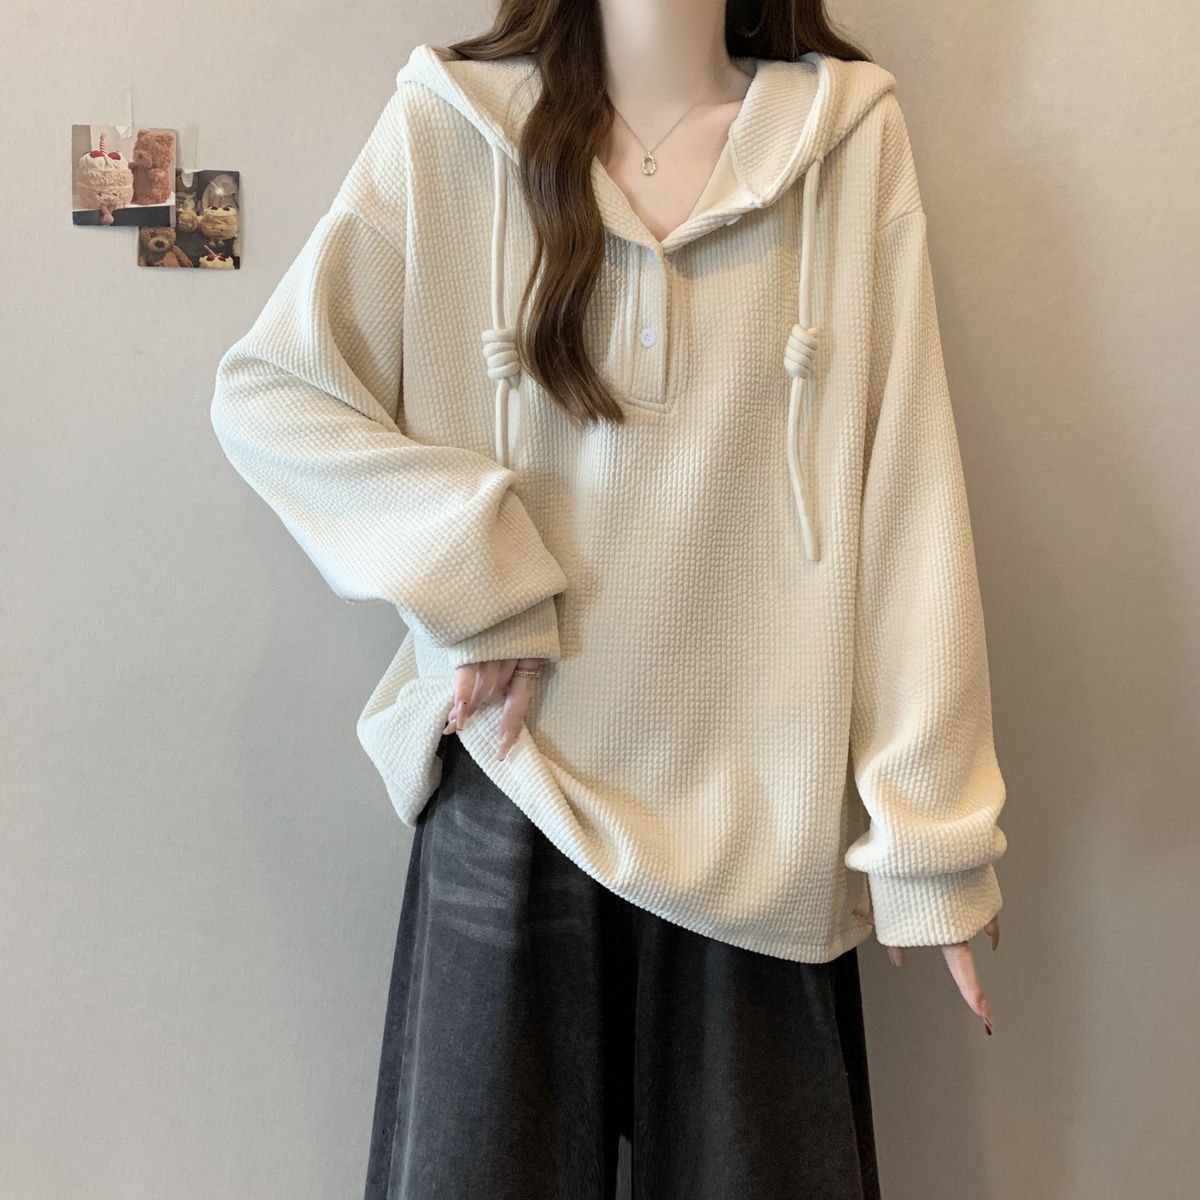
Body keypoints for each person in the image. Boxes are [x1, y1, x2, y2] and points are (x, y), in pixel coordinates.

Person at [209, 1, 1008, 1195]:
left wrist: (931, 838)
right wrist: (480, 575)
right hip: (517, 778)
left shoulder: (845, 143)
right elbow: (276, 393)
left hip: (765, 820)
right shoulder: (450, 125)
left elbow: (908, 494)